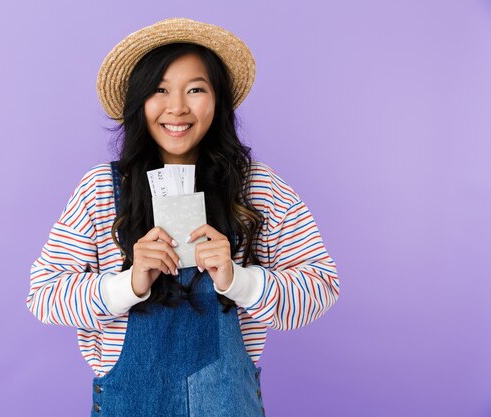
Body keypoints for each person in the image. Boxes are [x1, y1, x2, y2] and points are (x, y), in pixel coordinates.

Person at [26, 17, 340, 417]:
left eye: (195, 89)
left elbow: (321, 288)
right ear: (139, 101)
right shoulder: (103, 190)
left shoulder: (258, 188)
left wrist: (237, 279)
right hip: (130, 404)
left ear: (218, 100)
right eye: (160, 90)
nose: (177, 107)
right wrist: (128, 284)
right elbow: (44, 296)